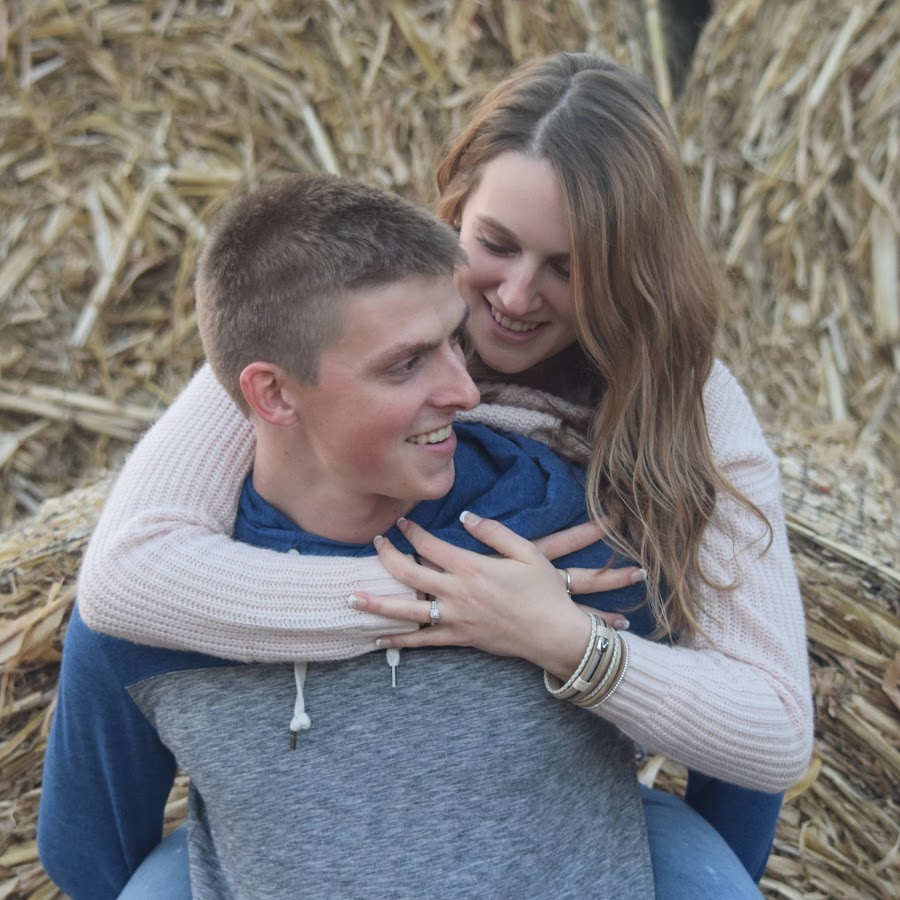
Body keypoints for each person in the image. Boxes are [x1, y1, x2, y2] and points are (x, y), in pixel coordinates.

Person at [74, 53, 813, 887]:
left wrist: (561, 637)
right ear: (453, 209)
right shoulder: (346, 322)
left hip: (568, 779)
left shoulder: (685, 398)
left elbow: (772, 724)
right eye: (495, 245)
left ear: (628, 271)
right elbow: (126, 576)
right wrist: (450, 601)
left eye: (568, 268)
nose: (517, 297)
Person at [40, 174, 669, 899]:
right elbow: (89, 854)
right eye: (407, 364)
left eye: (454, 340)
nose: (467, 392)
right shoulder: (153, 612)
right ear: (274, 393)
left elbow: (744, 737)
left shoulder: (576, 543)